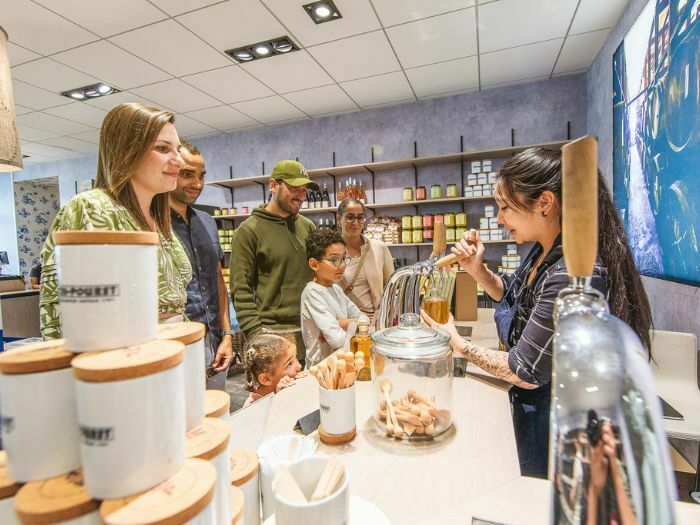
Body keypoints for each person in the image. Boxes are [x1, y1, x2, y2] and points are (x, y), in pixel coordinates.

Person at [420, 147, 652, 479]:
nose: (499, 219)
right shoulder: (544, 252)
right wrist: (477, 270)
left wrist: (458, 343)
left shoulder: (569, 274)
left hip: (554, 418)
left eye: (505, 207)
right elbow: (515, 294)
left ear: (544, 202)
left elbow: (526, 371)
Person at [40, 103, 192, 339]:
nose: (180, 161)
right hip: (123, 354)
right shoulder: (91, 209)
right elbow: (60, 314)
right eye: (162, 148)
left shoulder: (159, 222)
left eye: (178, 149)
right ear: (127, 151)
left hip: (170, 351)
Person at [230, 160, 317, 367]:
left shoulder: (308, 226)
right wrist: (257, 336)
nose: (301, 195)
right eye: (294, 188)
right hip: (272, 335)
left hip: (309, 330)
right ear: (273, 185)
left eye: (304, 189)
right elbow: (240, 290)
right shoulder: (249, 231)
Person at [169, 140, 234, 389]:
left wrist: (227, 334)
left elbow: (218, 280)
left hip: (215, 338)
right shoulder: (152, 222)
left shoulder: (206, 221)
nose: (197, 184)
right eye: (187, 174)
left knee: (217, 405)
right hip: (178, 341)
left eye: (201, 176)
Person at [301, 229, 369, 367]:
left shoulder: (336, 289)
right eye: (334, 260)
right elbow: (337, 340)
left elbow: (365, 320)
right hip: (321, 366)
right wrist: (353, 325)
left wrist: (343, 323)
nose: (342, 265)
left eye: (343, 258)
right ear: (314, 264)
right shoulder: (312, 292)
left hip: (340, 362)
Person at [336, 199, 394, 325]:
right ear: (338, 219)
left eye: (360, 217)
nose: (355, 222)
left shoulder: (378, 248)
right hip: (346, 323)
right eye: (350, 217)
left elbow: (391, 286)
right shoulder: (331, 252)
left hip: (376, 321)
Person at [242, 333, 302, 407]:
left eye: (296, 358)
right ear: (266, 379)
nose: (299, 366)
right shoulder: (254, 409)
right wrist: (281, 399)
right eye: (289, 364)